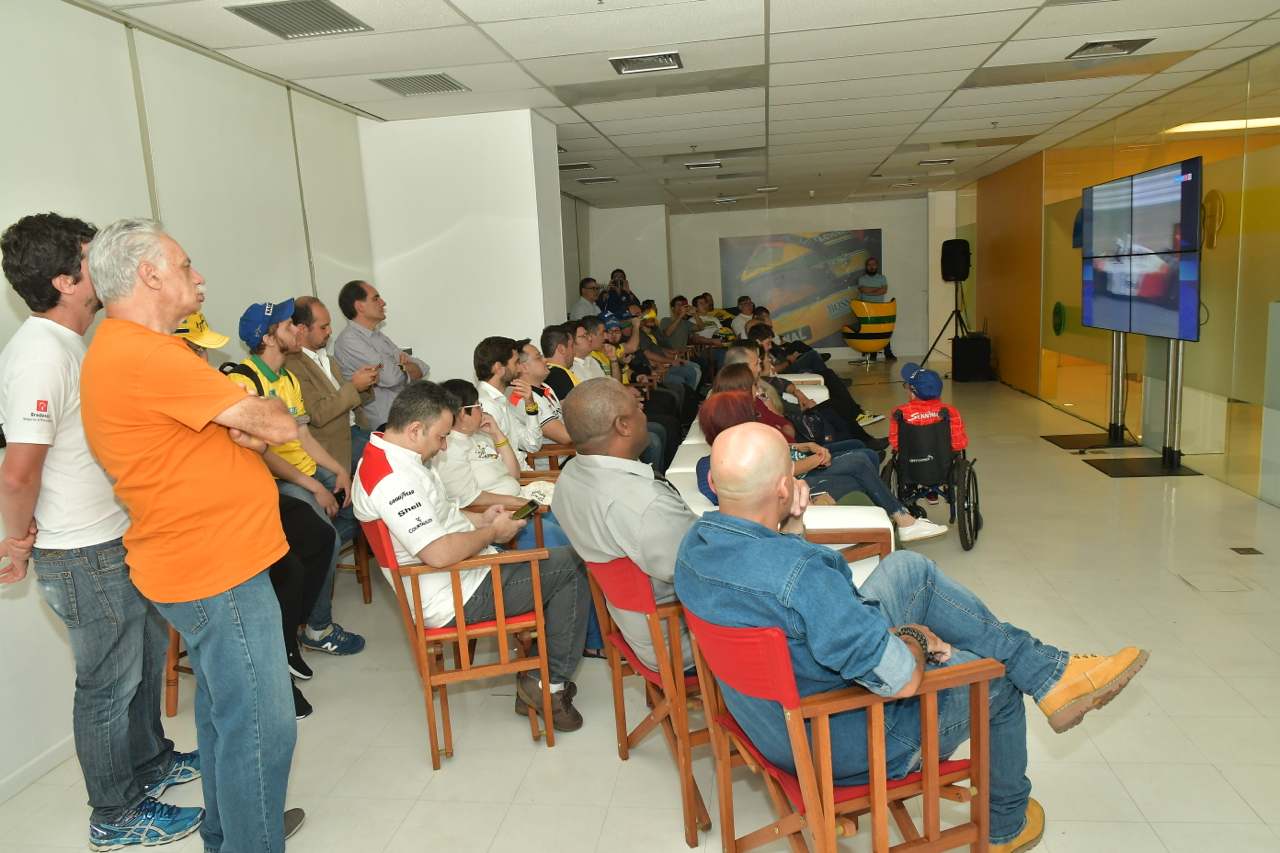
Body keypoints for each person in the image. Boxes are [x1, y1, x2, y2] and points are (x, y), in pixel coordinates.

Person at [675, 422, 1149, 852]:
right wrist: (917, 640)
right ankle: (1007, 823)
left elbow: (783, 590)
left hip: (768, 723)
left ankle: (1050, 672)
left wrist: (793, 525)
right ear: (785, 487)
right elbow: (900, 678)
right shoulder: (802, 576)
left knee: (908, 570)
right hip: (838, 738)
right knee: (998, 680)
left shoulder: (694, 548)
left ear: (713, 482)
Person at [80, 218, 305, 851]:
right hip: (215, 567)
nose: (198, 276)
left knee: (223, 712)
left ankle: (230, 831)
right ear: (149, 275)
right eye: (184, 265)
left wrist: (247, 422)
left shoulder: (136, 351)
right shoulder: (146, 356)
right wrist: (252, 420)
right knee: (261, 726)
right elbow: (278, 424)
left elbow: (253, 425)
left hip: (201, 560)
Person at [0, 213, 204, 849]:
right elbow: (18, 471)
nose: (109, 263)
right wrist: (14, 541)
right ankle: (114, 815)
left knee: (141, 664)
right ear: (65, 281)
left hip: (112, 537)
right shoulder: (38, 354)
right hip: (79, 550)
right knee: (107, 686)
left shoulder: (73, 344)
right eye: (93, 258)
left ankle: (151, 763)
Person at [352, 380, 591, 731]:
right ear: (415, 429)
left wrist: (482, 520)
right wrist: (492, 533)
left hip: (463, 575)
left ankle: (541, 678)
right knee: (571, 565)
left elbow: (442, 515)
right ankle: (548, 685)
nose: (444, 445)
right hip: (453, 596)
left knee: (559, 559)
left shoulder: (393, 456)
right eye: (441, 437)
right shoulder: (393, 480)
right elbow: (438, 553)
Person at [176, 313, 330, 720]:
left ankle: (289, 638)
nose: (204, 359)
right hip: (215, 513)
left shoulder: (214, 387)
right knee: (286, 570)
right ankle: (276, 667)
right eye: (198, 350)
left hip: (250, 495)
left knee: (318, 535)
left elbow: (270, 436)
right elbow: (270, 430)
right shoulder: (190, 390)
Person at [228, 299, 366, 658]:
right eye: (288, 326)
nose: (297, 330)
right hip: (275, 480)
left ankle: (301, 571)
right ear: (268, 338)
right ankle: (318, 628)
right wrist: (316, 487)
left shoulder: (287, 378)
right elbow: (264, 454)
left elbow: (303, 436)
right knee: (327, 537)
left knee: (365, 508)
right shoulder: (244, 381)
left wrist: (338, 471)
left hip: (305, 469)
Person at [552, 377, 695, 672]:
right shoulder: (643, 504)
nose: (644, 412)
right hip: (677, 636)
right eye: (637, 408)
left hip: (634, 624)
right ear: (623, 425)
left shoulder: (569, 477)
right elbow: (702, 568)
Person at [286, 295, 378, 474]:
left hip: (357, 430)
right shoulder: (292, 365)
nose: (329, 331)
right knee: (394, 458)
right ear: (302, 329)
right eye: (323, 327)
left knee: (404, 448)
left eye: (329, 325)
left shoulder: (327, 358)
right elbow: (317, 414)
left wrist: (366, 384)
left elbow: (347, 400)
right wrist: (353, 386)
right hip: (336, 444)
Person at [332, 279, 428, 430]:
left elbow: (423, 367)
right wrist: (402, 366)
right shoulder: (349, 340)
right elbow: (391, 377)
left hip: (404, 417)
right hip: (384, 426)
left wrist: (400, 367)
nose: (383, 303)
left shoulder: (378, 336)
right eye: (375, 298)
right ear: (360, 306)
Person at [474, 335, 543, 456]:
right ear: (498, 368)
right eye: (516, 362)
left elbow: (532, 444)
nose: (520, 368)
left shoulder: (500, 400)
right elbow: (494, 460)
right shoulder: (485, 404)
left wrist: (530, 405)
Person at [512, 339, 572, 446]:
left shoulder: (545, 387)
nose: (545, 360)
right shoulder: (523, 398)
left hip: (569, 450)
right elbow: (565, 437)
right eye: (538, 357)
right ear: (523, 367)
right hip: (556, 455)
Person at [855, 257, 896, 361]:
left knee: (884, 332)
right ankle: (873, 354)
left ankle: (888, 353)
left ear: (876, 266)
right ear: (866, 266)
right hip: (865, 311)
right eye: (869, 265)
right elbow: (863, 290)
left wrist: (869, 290)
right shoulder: (861, 279)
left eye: (873, 264)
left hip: (879, 310)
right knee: (870, 333)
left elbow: (883, 291)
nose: (871, 267)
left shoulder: (882, 278)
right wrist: (877, 289)